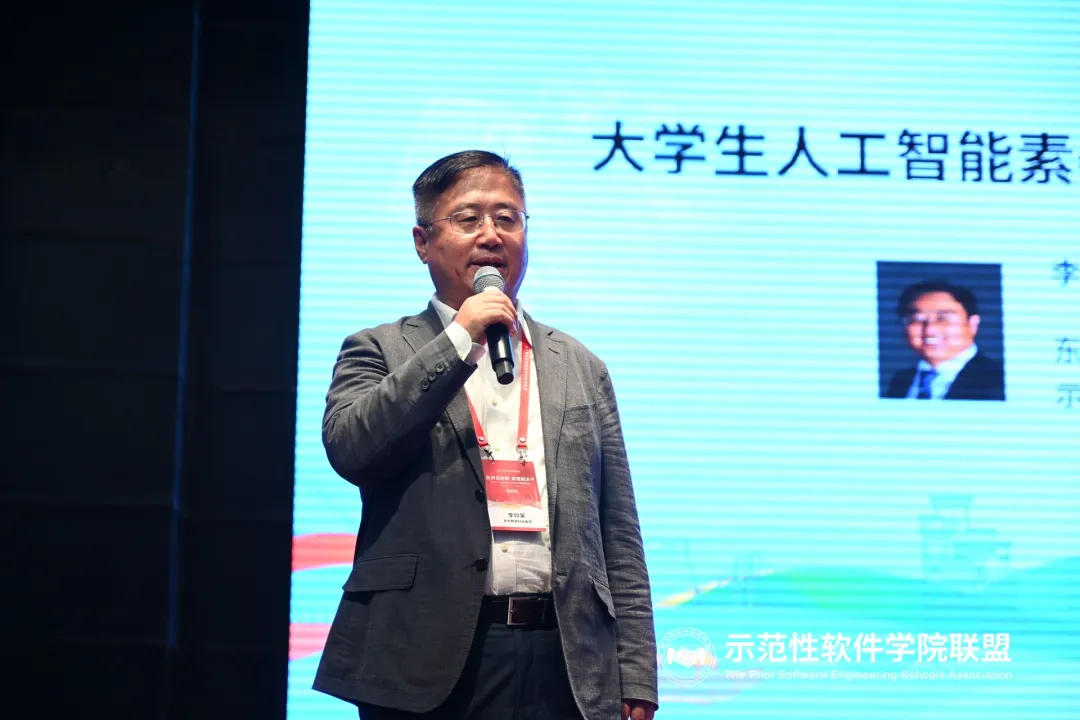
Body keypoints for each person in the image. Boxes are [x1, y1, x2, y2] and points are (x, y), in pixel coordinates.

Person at [312, 150, 658, 720]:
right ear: (423, 242)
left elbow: (617, 526)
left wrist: (637, 673)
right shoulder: (377, 349)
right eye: (469, 219)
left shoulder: (580, 364)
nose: (492, 235)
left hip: (565, 659)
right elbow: (354, 449)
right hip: (422, 654)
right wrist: (460, 339)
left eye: (507, 218)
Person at [884, 279, 1005, 401]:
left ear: (973, 324)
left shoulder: (1001, 380)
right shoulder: (901, 381)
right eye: (917, 319)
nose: (930, 329)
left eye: (943, 319)